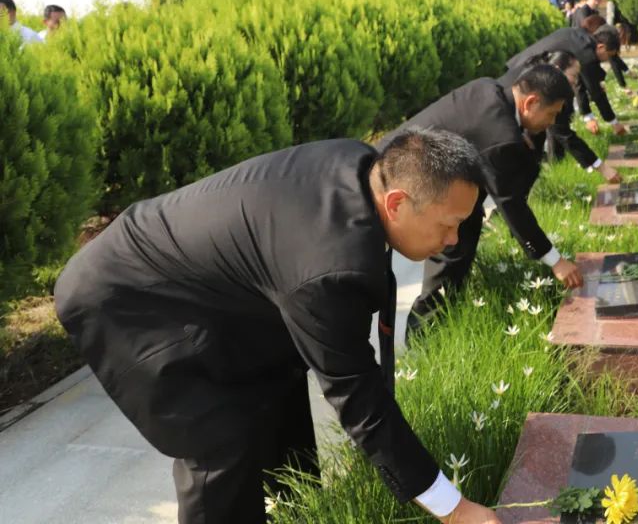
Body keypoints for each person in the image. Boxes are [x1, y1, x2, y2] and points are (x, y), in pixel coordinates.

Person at [54, 132, 500, 524]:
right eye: (449, 225)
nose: (453, 242)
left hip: (203, 288)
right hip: (128, 299)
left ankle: (298, 510)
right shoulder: (329, 265)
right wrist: (454, 508)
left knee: (279, 385)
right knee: (221, 446)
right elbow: (359, 397)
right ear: (397, 202)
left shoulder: (364, 168)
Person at [380, 64, 584, 335]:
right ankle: (424, 341)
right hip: (403, 183)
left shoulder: (492, 88)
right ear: (531, 102)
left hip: (427, 177)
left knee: (463, 236)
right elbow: (510, 203)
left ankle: (441, 325)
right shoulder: (501, 137)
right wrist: (555, 261)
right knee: (447, 267)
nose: (551, 123)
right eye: (551, 114)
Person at [500, 50, 621, 184]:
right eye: (574, 76)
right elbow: (562, 132)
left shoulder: (553, 90)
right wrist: (601, 167)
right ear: (557, 70)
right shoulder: (541, 90)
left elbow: (558, 129)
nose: (576, 82)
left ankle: (551, 171)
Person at [506, 24, 628, 141]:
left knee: (552, 121)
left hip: (518, 66)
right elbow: (594, 90)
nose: (608, 60)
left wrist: (587, 116)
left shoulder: (582, 38)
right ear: (601, 47)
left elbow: (580, 85)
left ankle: (553, 158)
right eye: (609, 55)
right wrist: (613, 122)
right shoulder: (586, 54)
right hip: (523, 78)